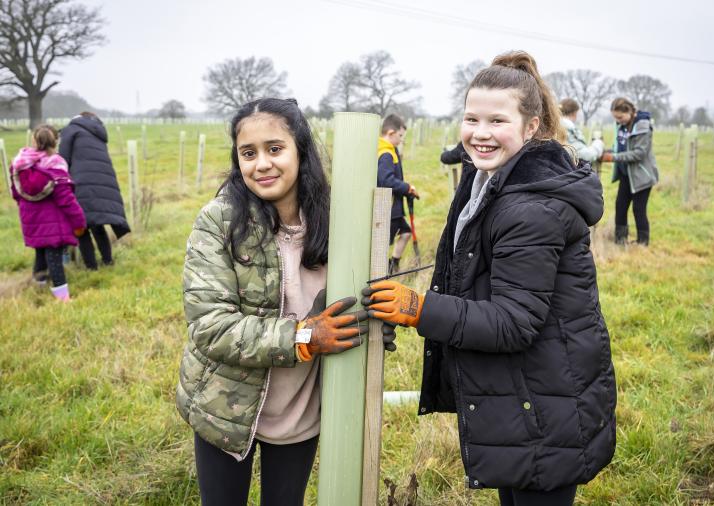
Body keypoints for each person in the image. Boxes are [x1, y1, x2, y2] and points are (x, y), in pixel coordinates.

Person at [362, 51, 616, 506]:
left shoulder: (529, 208)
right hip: (522, 393)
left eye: (497, 121)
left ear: (531, 127)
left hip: (545, 400)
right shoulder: (490, 180)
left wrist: (419, 310)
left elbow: (513, 322)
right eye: (471, 118)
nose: (480, 133)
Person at [175, 98, 382, 506]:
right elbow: (210, 326)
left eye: (274, 149)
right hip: (225, 408)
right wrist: (303, 337)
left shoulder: (342, 219)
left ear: (300, 150)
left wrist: (376, 319)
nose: (261, 164)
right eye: (248, 153)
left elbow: (357, 300)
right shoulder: (218, 221)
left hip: (300, 412)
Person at [10, 124, 86, 302]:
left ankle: (39, 287)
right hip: (53, 221)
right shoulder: (56, 165)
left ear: (34, 141)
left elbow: (15, 192)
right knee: (54, 259)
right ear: (55, 141)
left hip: (30, 217)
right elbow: (66, 199)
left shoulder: (20, 163)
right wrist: (79, 221)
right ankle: (63, 299)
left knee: (40, 252)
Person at [59, 112, 130, 270]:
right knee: (98, 225)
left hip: (80, 183)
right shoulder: (98, 132)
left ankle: (91, 267)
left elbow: (62, 159)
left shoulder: (71, 130)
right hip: (101, 183)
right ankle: (107, 261)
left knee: (81, 227)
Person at [600, 98, 659, 245]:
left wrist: (612, 157)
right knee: (620, 207)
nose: (618, 121)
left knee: (638, 210)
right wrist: (605, 152)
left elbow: (639, 153)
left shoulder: (643, 126)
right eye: (615, 118)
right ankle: (620, 241)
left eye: (620, 117)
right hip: (626, 175)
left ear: (629, 111)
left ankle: (642, 243)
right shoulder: (622, 126)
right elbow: (619, 147)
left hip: (641, 176)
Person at [377, 113, 419, 274]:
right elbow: (386, 180)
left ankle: (393, 264)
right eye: (400, 135)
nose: (401, 139)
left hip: (393, 207)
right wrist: (407, 187)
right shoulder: (386, 153)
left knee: (406, 232)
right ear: (391, 133)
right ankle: (382, 270)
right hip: (388, 206)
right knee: (382, 243)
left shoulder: (389, 150)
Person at [559, 98, 604, 163]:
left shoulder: (554, 127)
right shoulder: (568, 129)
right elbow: (583, 156)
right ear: (574, 113)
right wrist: (598, 144)